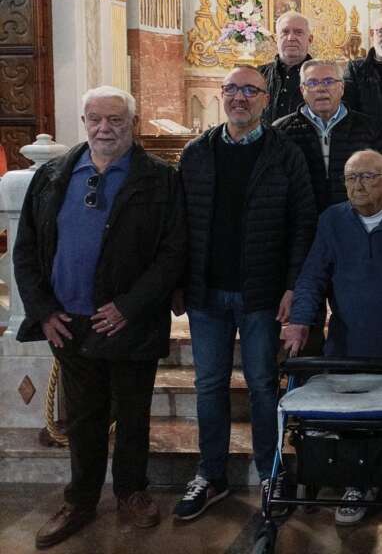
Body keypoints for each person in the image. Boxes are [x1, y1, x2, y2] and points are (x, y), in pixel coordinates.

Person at [14, 87, 186, 549]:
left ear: (133, 123)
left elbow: (174, 252)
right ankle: (81, 500)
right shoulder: (52, 175)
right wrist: (43, 310)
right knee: (83, 418)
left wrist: (130, 306)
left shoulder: (160, 178)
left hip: (131, 321)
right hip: (69, 321)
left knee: (132, 415)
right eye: (95, 119)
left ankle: (132, 492)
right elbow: (26, 249)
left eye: (115, 120)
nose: (104, 128)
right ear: (84, 122)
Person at [173, 65, 317, 523]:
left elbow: (302, 224)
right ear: (221, 95)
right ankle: (211, 473)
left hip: (261, 291)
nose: (240, 98)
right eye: (232, 89)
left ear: (265, 99)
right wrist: (178, 282)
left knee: (261, 384)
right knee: (209, 385)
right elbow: (178, 224)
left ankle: (270, 471)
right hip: (206, 293)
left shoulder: (285, 153)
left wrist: (293, 285)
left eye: (250, 91)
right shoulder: (196, 153)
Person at [282, 149, 382, 526]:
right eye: (351, 178)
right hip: (347, 348)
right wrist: (301, 320)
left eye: (368, 177)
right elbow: (312, 277)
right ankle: (356, 484)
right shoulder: (332, 220)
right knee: (349, 420)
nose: (358, 185)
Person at [272, 59, 382, 213]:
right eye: (312, 83)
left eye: (329, 81)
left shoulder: (369, 127)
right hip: (302, 217)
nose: (321, 89)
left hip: (355, 216)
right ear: (302, 90)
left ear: (342, 87)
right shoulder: (281, 131)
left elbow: (380, 179)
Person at [259, 10, 313, 125]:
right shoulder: (258, 74)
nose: (291, 38)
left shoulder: (322, 76)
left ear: (310, 39)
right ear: (276, 39)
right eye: (285, 32)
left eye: (298, 32)